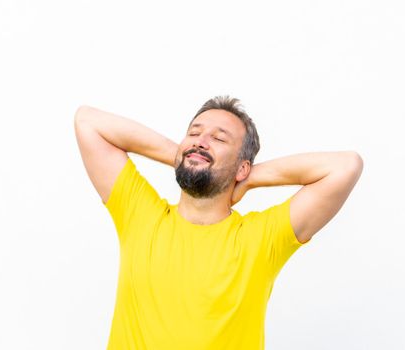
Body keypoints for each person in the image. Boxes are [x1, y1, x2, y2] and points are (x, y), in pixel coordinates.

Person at [74, 95, 363, 350]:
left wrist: (249, 178)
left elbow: (345, 166)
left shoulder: (261, 238)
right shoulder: (140, 214)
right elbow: (87, 121)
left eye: (219, 138)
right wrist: (183, 156)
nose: (201, 140)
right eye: (194, 133)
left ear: (242, 166)